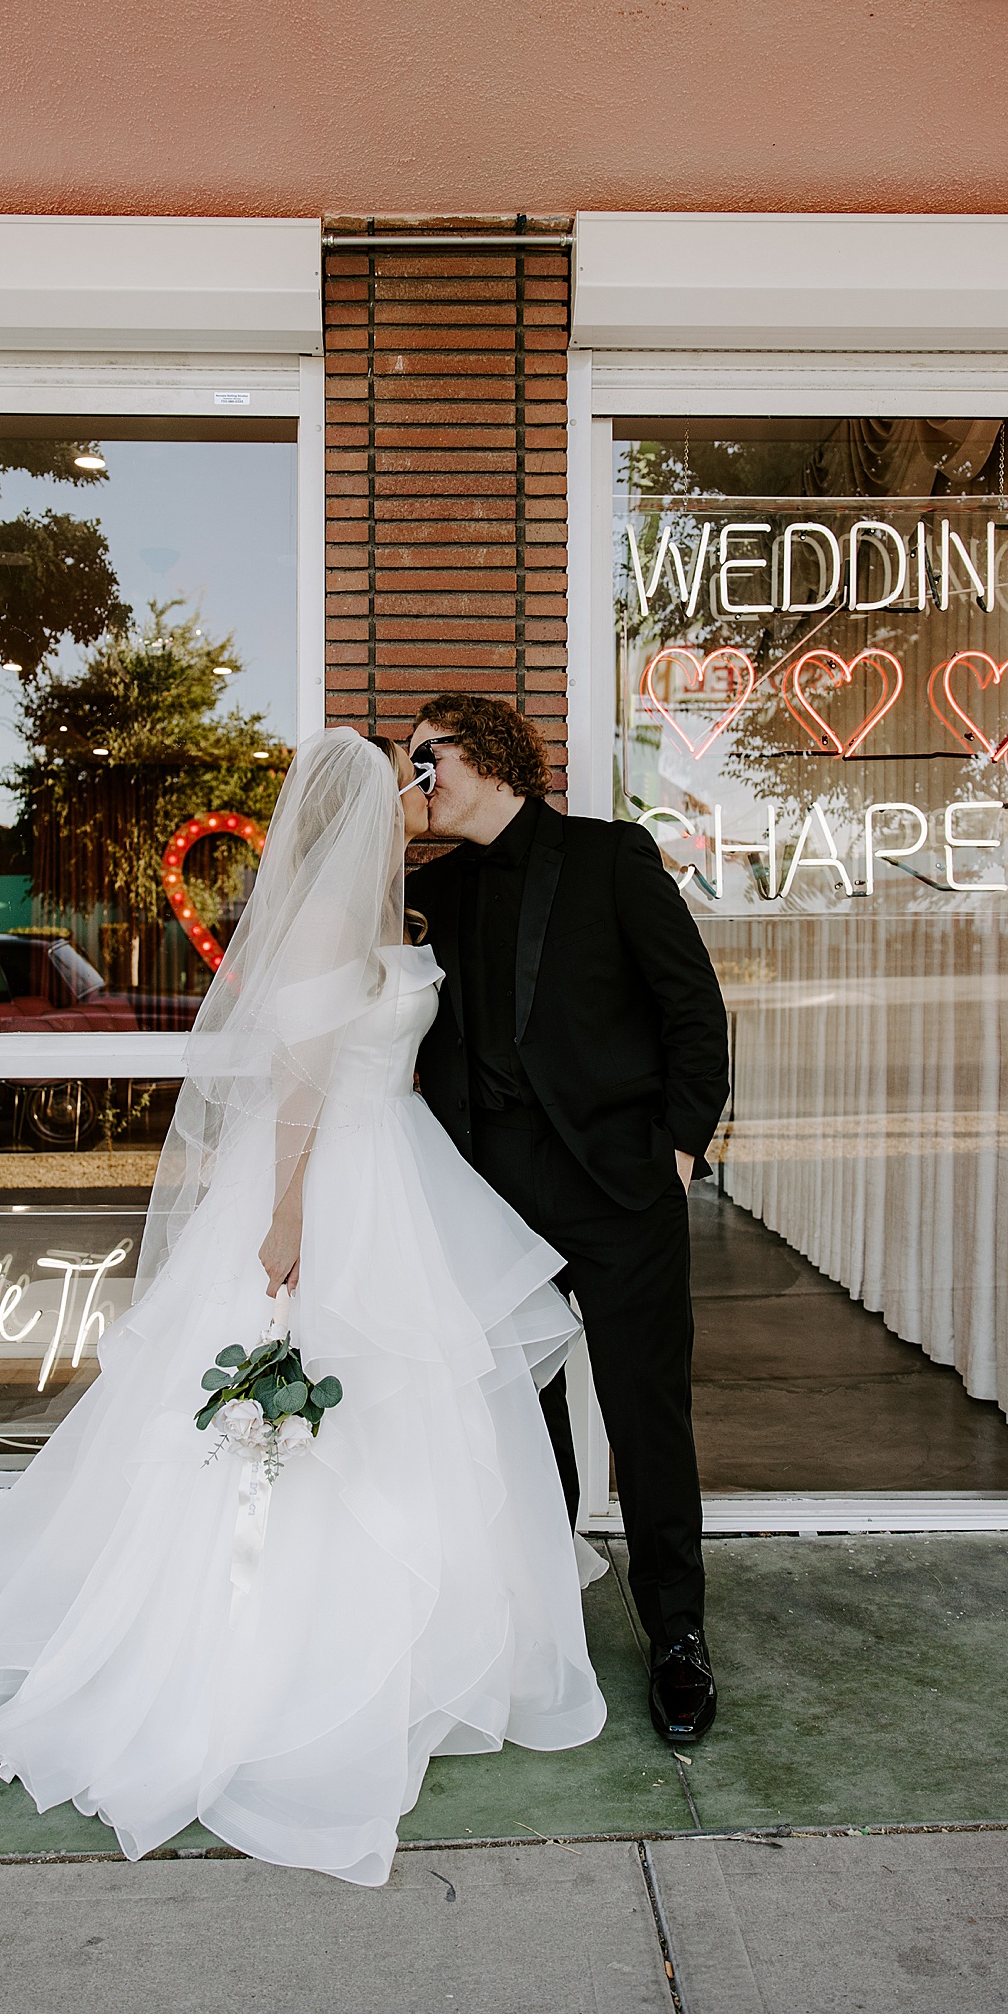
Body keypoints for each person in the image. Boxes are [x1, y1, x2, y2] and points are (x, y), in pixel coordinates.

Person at [0, 728, 605, 1887]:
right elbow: (298, 1085)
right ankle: (268, 1644)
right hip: (323, 1181)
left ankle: (410, 1637)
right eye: (399, 786)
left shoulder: (392, 914)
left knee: (406, 1403)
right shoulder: (325, 922)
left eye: (425, 779)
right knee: (294, 1406)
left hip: (397, 1174)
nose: (417, 799)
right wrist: (287, 1218)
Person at [404, 695, 729, 1743]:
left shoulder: (608, 857)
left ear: (489, 755)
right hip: (490, 1194)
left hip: (619, 1185)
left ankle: (679, 1633)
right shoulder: (427, 893)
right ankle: (548, 1619)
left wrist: (679, 1149)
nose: (416, 777)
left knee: (646, 1412)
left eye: (427, 757)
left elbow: (692, 1008)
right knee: (519, 1418)